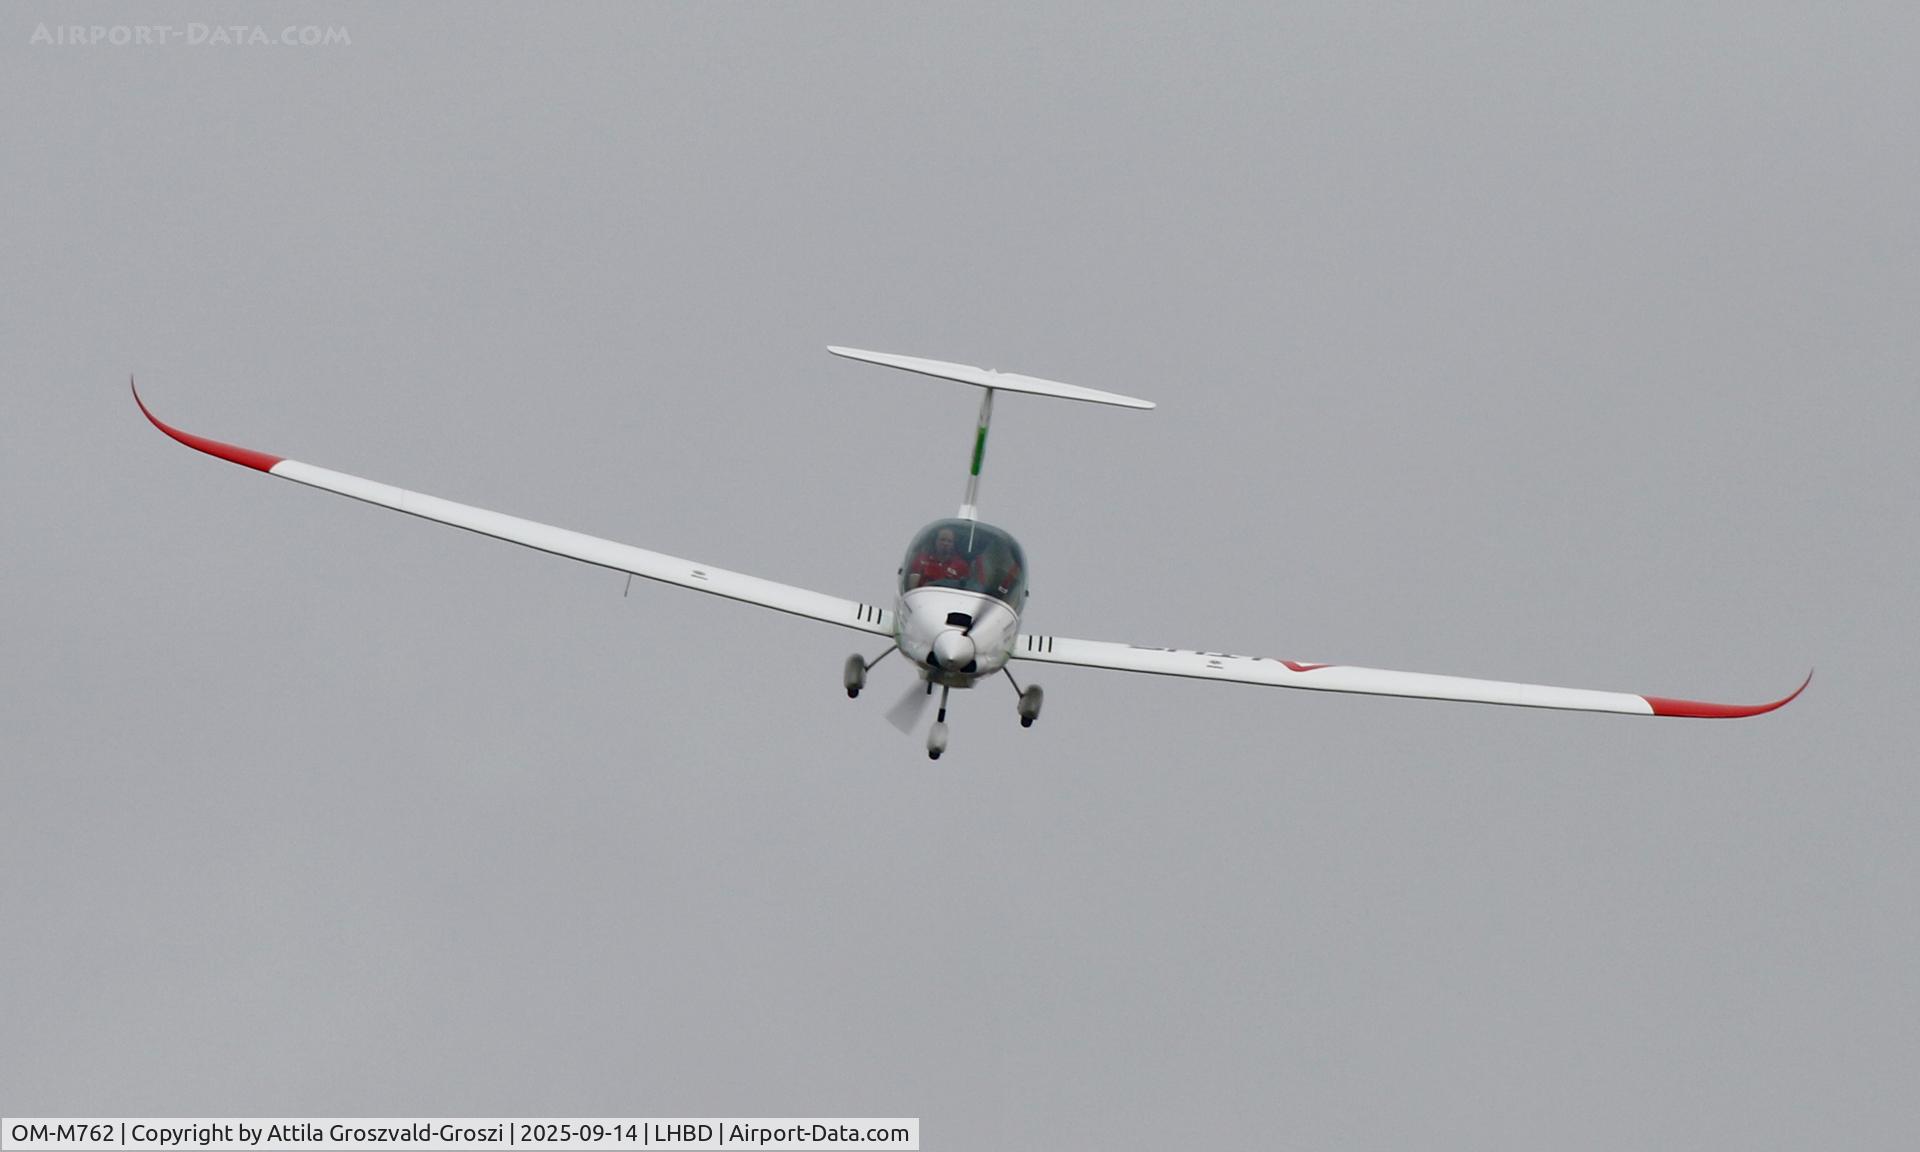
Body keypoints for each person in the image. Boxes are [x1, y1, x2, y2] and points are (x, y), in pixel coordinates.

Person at [906, 526, 970, 588]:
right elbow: (912, 588)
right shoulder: (921, 560)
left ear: (953, 544)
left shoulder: (961, 566)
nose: (945, 543)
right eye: (942, 540)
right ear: (935, 541)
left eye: (949, 541)